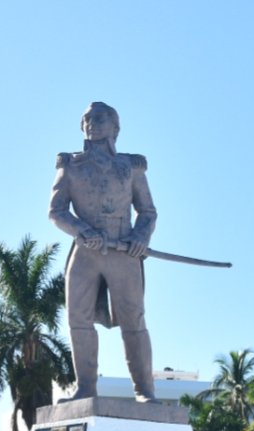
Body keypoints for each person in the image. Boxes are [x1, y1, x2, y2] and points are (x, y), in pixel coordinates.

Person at [48, 101, 159, 402]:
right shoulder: (69, 165)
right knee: (78, 319)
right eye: (86, 119)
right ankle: (85, 388)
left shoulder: (131, 166)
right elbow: (56, 211)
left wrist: (139, 237)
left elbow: (147, 211)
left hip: (124, 251)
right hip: (86, 253)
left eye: (99, 118)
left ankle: (145, 391)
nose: (91, 123)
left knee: (133, 320)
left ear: (115, 126)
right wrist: (82, 231)